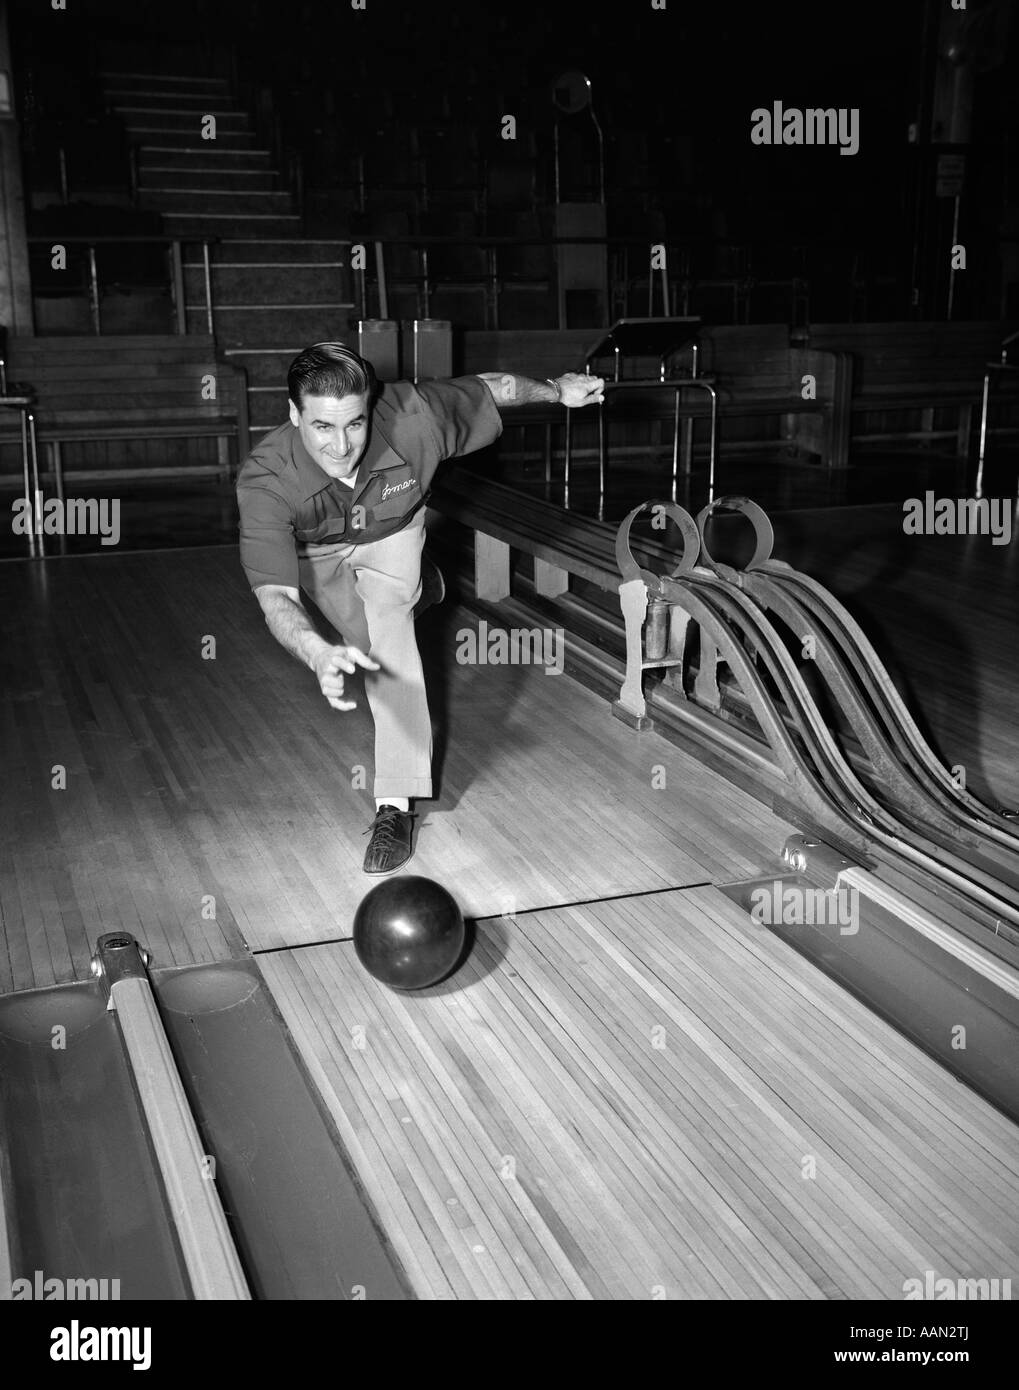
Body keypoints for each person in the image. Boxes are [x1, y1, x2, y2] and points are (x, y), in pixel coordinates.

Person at [236, 342, 604, 874]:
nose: (341, 445)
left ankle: (395, 804)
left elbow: (495, 389)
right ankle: (427, 587)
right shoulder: (267, 478)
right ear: (294, 415)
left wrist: (557, 391)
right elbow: (275, 594)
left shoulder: (415, 417)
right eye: (322, 427)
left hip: (393, 530)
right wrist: (317, 652)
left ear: (372, 407)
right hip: (315, 553)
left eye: (354, 425)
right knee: (364, 648)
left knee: (390, 640)